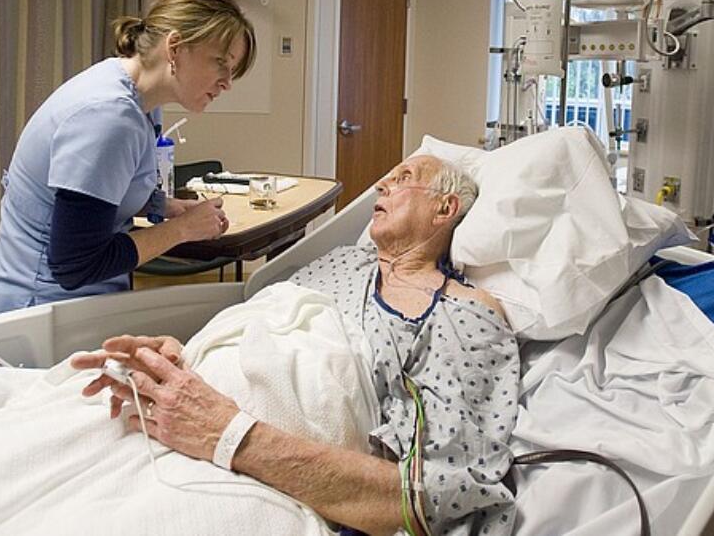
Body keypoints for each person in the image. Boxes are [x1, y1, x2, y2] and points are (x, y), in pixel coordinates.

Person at [73, 155, 520, 536]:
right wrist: (179, 356)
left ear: (445, 209)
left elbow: (444, 495)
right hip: (180, 416)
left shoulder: (461, 311)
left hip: (244, 463)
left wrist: (226, 434)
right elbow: (263, 329)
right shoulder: (338, 261)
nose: (383, 183)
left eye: (405, 178)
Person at [0, 0, 256, 317]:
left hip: (65, 298)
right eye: (221, 62)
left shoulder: (138, 96)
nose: (227, 83)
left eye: (232, 71)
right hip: (37, 307)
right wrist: (183, 229)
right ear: (175, 48)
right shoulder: (110, 116)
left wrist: (163, 205)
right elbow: (76, 265)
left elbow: (96, 193)